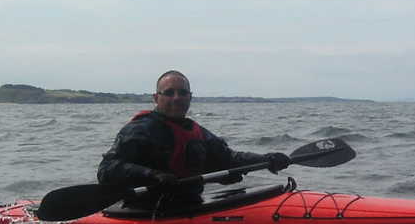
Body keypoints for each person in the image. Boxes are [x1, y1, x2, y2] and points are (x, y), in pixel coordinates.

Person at [97, 70, 291, 207]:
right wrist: (151, 174)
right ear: (156, 98)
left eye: (182, 93)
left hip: (190, 206)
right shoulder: (139, 130)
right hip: (147, 210)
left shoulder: (196, 131)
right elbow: (106, 170)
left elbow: (229, 158)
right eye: (169, 93)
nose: (176, 98)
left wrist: (267, 159)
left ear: (190, 97)